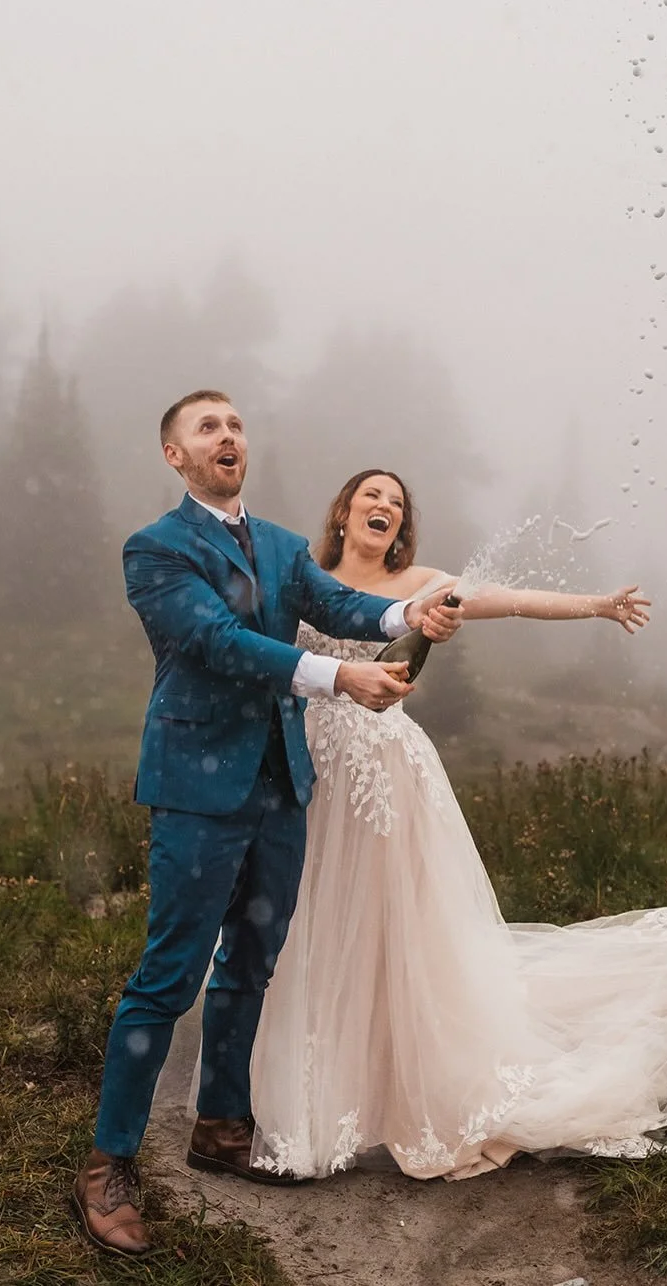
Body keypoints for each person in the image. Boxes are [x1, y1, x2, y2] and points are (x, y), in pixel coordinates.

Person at [246, 469, 667, 1181]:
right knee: (304, 909)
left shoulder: (425, 584)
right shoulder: (302, 574)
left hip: (381, 773)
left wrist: (597, 605)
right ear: (343, 510)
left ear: (402, 527)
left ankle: (404, 1078)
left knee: (395, 921)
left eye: (396, 502)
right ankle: (305, 1072)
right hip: (305, 767)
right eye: (372, 495)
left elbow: (510, 601)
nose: (384, 507)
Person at [71, 405, 462, 1257]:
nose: (227, 436)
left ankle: (220, 1125)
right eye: (206, 427)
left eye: (236, 424)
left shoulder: (285, 546)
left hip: (283, 786)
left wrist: (409, 620)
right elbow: (214, 641)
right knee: (169, 974)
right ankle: (109, 1163)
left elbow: (343, 602)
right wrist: (338, 678)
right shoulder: (156, 548)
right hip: (196, 789)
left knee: (250, 964)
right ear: (175, 455)